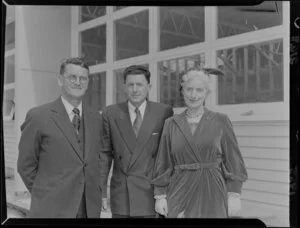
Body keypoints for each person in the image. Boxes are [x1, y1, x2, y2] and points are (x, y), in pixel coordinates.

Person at [152, 68, 248, 218]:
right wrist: (160, 195)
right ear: (182, 91)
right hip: (180, 188)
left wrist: (234, 194)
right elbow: (163, 162)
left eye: (199, 90)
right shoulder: (171, 124)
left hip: (212, 189)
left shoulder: (220, 120)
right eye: (189, 89)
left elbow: (233, 159)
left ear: (207, 93)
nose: (193, 95)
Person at [17, 57, 103, 218]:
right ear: (60, 80)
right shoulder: (38, 116)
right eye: (72, 77)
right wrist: (44, 194)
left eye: (83, 78)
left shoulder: (96, 118)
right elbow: (25, 165)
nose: (78, 82)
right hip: (51, 210)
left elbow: (98, 159)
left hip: (89, 209)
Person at [100, 65, 173, 218]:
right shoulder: (111, 113)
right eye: (130, 85)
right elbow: (105, 155)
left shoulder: (163, 112)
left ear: (149, 86)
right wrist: (101, 191)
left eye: (139, 84)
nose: (135, 89)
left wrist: (164, 193)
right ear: (124, 87)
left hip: (152, 194)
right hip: (122, 195)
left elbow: (167, 157)